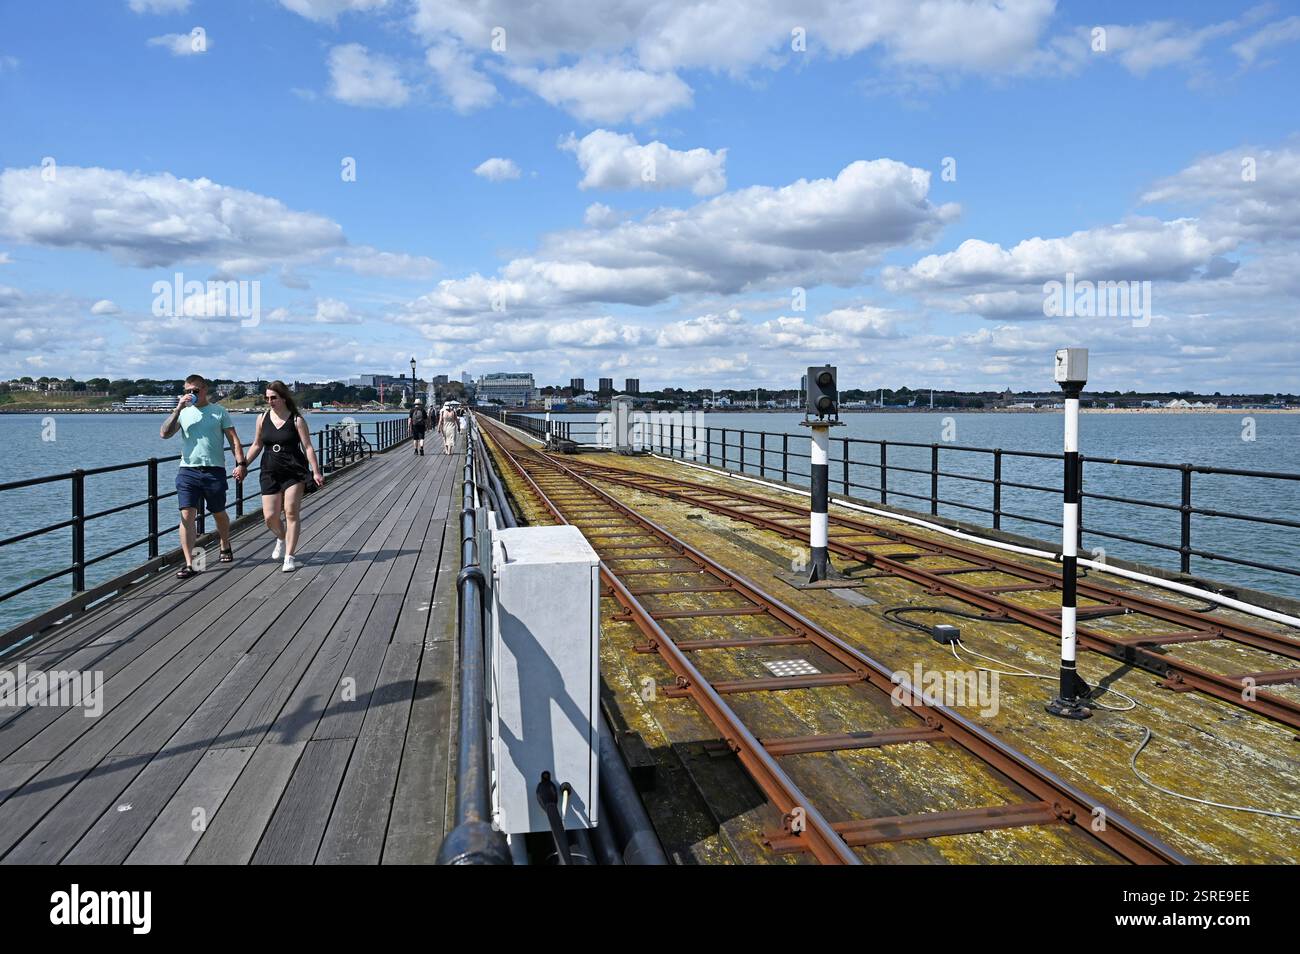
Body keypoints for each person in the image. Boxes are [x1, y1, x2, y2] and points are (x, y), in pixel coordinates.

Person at [160, 374, 246, 578]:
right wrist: (178, 408)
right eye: (187, 391)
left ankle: (225, 542)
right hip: (188, 470)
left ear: (204, 390)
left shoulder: (219, 412)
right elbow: (164, 433)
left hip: (213, 470)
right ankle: (190, 563)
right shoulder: (183, 412)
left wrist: (241, 463)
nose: (191, 394)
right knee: (187, 515)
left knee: (218, 512)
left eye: (195, 391)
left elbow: (233, 440)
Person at [243, 381, 324, 572]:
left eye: (274, 398)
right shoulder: (262, 418)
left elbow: (308, 447)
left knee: (290, 512)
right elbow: (256, 445)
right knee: (270, 517)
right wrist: (243, 465)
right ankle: (281, 537)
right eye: (267, 398)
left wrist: (316, 471)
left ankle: (289, 556)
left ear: (284, 398)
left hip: (294, 470)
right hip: (270, 471)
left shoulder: (296, 420)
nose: (270, 401)